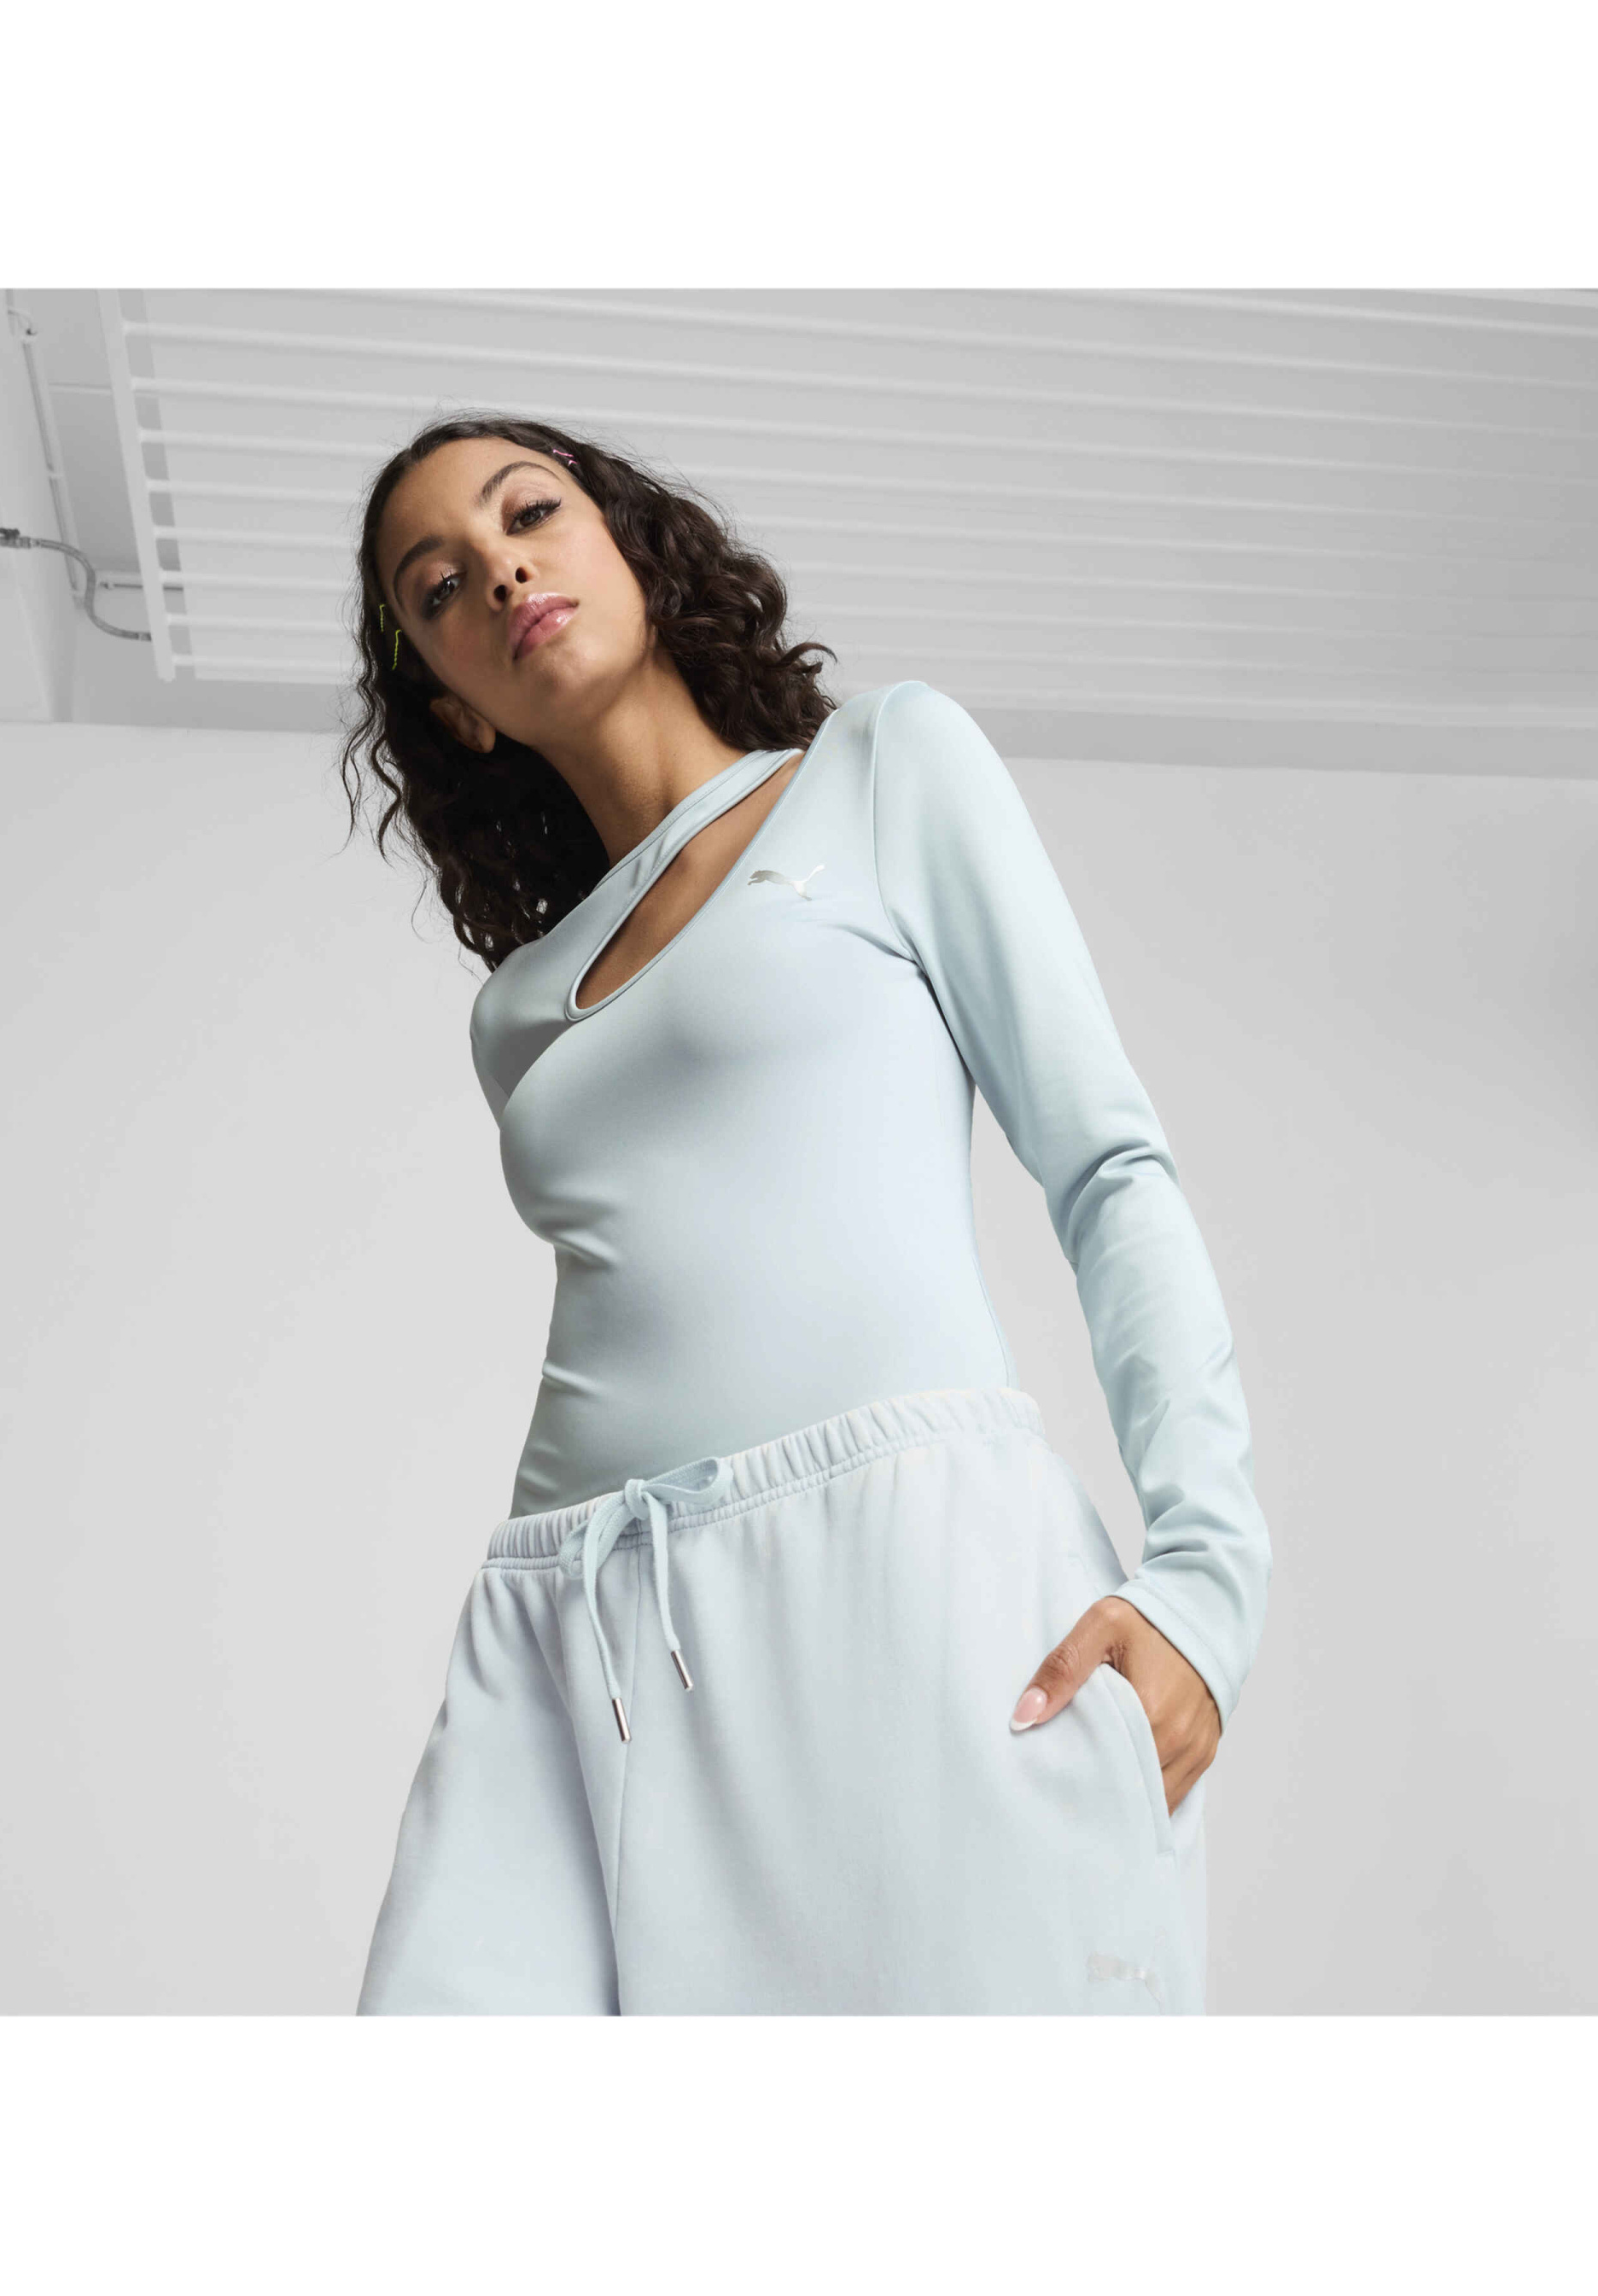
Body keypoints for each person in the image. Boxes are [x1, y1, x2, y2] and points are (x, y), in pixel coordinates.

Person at [341, 414, 1271, 2014]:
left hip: (905, 1575)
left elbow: (1106, 1169)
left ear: (632, 548)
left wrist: (1204, 1581)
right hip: (580, 1625)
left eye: (529, 513)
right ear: (458, 710)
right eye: (437, 585)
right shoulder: (515, 1013)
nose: (495, 568)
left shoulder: (883, 770)